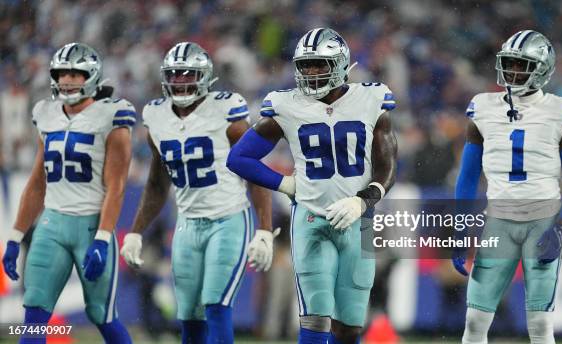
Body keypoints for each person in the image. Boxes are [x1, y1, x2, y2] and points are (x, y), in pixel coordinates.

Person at [226, 28, 398, 344]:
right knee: (316, 319)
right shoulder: (287, 105)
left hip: (359, 223)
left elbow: (388, 164)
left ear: (342, 64)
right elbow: (238, 159)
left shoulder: (371, 99)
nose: (311, 72)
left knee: (349, 327)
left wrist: (363, 200)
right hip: (311, 218)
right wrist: (287, 184)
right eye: (306, 65)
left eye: (319, 64)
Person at [119, 42, 274, 344]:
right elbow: (156, 181)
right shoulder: (156, 116)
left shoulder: (227, 111)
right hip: (188, 224)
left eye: (188, 74)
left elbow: (255, 170)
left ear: (205, 77)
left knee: (216, 302)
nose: (180, 82)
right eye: (175, 76)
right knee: (189, 314)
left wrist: (265, 230)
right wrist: (136, 232)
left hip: (228, 219)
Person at [453, 30, 562, 344]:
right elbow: (467, 178)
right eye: (509, 63)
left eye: (521, 64)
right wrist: (460, 229)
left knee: (540, 325)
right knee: (474, 321)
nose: (512, 71)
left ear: (542, 69)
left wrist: (560, 227)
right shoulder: (482, 107)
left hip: (542, 223)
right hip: (497, 221)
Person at [1, 42, 134, 343]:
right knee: (33, 315)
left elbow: (117, 185)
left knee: (101, 314)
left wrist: (102, 238)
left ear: (92, 76)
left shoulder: (112, 115)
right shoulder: (46, 114)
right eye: (62, 73)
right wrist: (15, 236)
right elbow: (37, 182)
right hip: (51, 224)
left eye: (75, 74)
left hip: (90, 226)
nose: (67, 80)